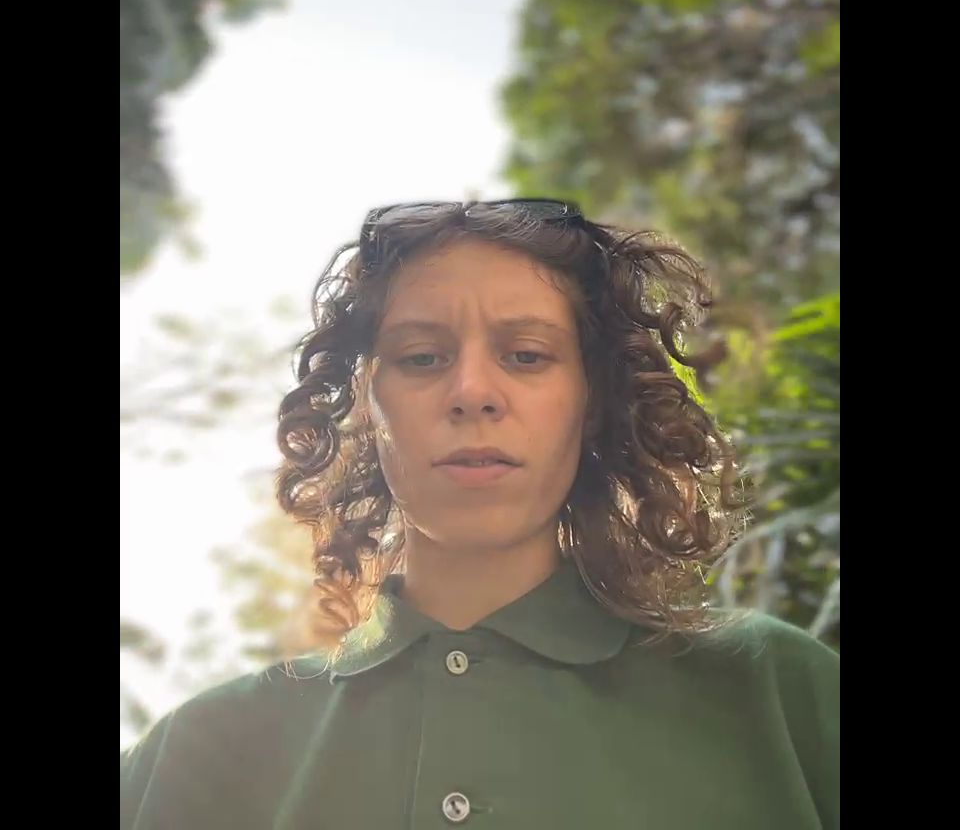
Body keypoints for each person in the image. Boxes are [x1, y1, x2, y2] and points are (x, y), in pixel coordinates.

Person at [121, 199, 839, 829]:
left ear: (591, 402)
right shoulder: (188, 759)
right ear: (369, 406)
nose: (472, 391)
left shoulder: (778, 695)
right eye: (422, 357)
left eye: (526, 355)